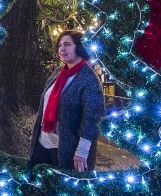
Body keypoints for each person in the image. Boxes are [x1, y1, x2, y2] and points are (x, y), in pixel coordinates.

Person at [28, 30, 104, 172]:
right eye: (60, 45)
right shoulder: (58, 72)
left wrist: (82, 150)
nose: (62, 49)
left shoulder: (89, 78)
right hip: (42, 144)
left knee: (61, 190)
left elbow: (92, 118)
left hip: (67, 149)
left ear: (79, 48)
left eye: (67, 44)